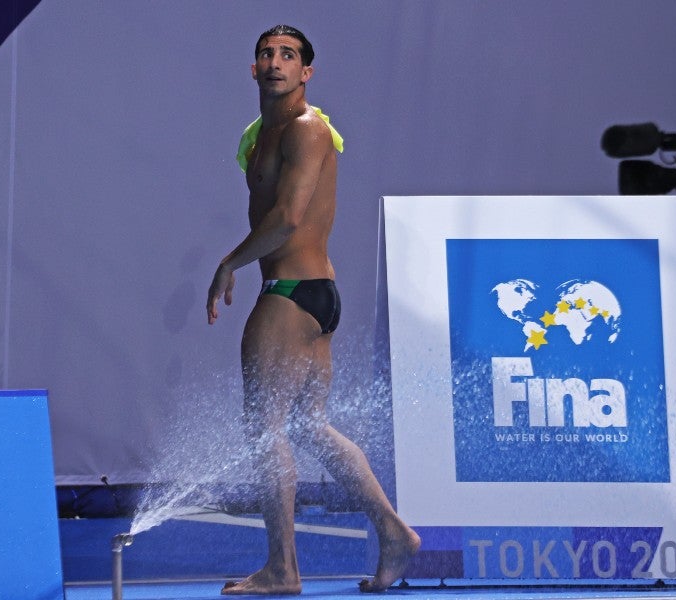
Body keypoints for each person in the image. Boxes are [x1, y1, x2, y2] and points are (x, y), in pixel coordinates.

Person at [206, 25, 420, 594]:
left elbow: (289, 218)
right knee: (309, 426)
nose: (276, 62)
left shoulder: (308, 129)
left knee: (265, 429)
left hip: (290, 295)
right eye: (266, 54)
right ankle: (395, 532)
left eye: (289, 55)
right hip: (313, 296)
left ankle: (282, 569)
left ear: (306, 73)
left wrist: (230, 262)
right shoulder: (259, 134)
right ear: (254, 69)